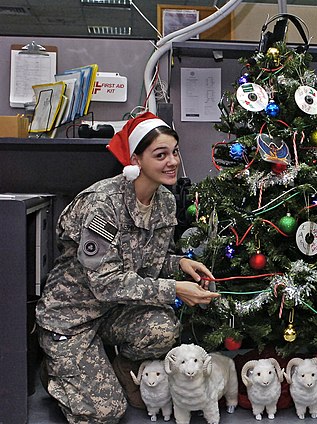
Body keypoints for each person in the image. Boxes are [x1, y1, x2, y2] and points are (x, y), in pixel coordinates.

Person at [36, 112, 220, 423]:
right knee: (106, 413)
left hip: (114, 310)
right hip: (72, 317)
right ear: (136, 158)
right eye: (160, 155)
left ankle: (109, 364)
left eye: (174, 152)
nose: (172, 161)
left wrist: (181, 264)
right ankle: (56, 368)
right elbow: (105, 283)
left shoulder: (165, 201)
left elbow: (146, 260)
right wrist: (174, 289)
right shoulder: (103, 204)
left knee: (162, 328)